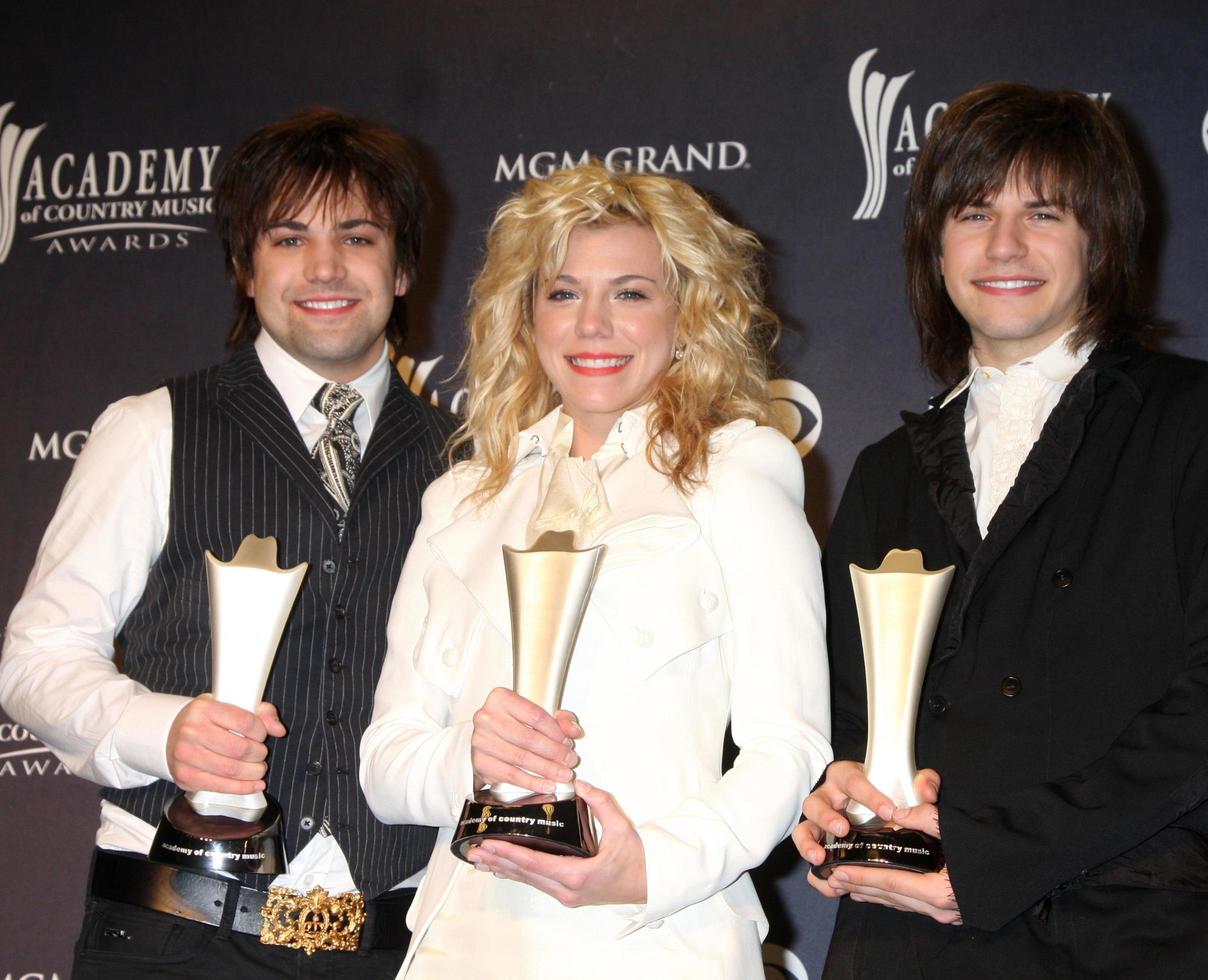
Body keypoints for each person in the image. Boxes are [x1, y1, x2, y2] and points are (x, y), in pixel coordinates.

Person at [0, 107, 455, 978]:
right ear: (246, 267)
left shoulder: (472, 467)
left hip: (399, 944)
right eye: (289, 238)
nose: (325, 267)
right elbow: (37, 656)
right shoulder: (150, 430)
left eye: (358, 236)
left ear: (402, 269)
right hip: (179, 934)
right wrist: (163, 728)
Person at [792, 82, 1208, 977]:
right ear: (933, 245)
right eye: (973, 211)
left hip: (1127, 929)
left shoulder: (1201, 424)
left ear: (1100, 237)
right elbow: (840, 709)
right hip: (902, 935)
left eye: (1044, 212)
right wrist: (834, 796)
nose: (1003, 246)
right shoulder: (886, 471)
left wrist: (991, 859)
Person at [360, 161, 831, 979]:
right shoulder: (461, 500)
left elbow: (788, 742)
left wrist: (651, 867)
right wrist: (469, 756)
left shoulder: (736, 470)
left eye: (632, 292)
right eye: (563, 292)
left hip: (655, 939)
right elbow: (386, 763)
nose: (593, 326)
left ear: (686, 313)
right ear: (526, 314)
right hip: (461, 941)